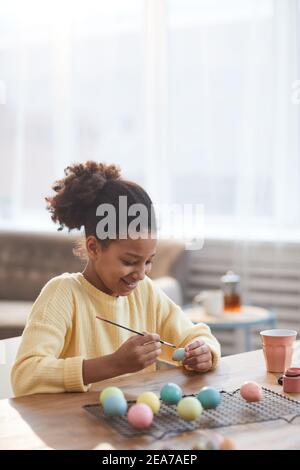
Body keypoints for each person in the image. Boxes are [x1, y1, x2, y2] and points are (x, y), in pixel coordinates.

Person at [11, 161, 221, 396]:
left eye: (149, 261)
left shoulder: (145, 292)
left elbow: (194, 335)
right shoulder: (63, 293)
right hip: (72, 427)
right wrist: (114, 364)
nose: (141, 274)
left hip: (133, 426)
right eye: (130, 262)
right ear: (94, 248)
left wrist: (205, 352)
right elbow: (25, 374)